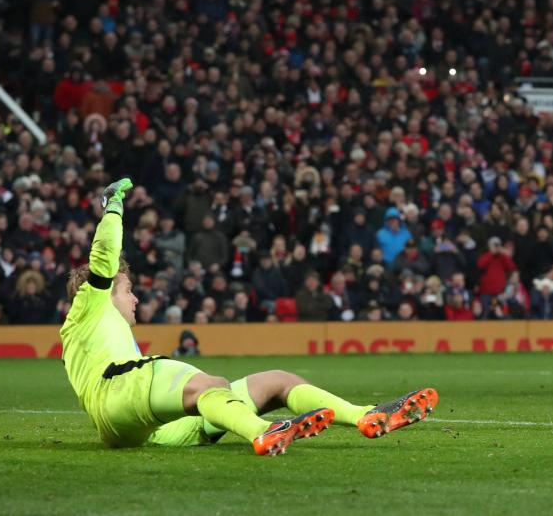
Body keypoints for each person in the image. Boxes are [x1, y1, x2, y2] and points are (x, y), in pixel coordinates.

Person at [60, 178, 439, 455]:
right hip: (119, 391)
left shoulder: (86, 334)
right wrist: (112, 207)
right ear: (102, 291)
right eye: (127, 290)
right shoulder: (89, 305)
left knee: (276, 381)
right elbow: (104, 257)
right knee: (209, 384)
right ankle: (263, 431)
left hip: (148, 430)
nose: (136, 298)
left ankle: (364, 415)